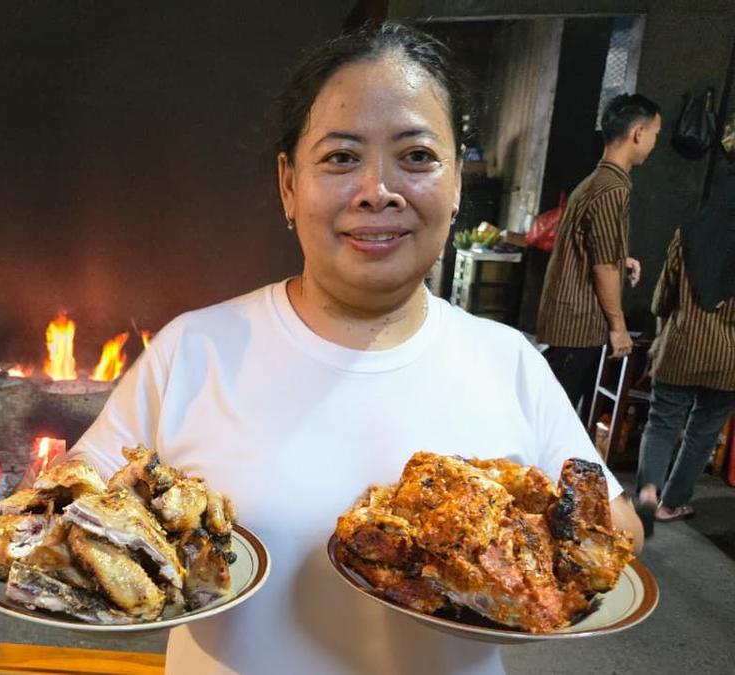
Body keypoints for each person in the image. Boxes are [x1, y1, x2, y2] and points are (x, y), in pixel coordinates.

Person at [65, 23, 643, 674]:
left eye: (417, 156)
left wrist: (514, 554)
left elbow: (616, 529)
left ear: (456, 183)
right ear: (289, 185)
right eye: (340, 157)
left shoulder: (506, 359)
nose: (377, 189)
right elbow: (70, 503)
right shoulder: (195, 349)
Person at [536, 94, 661, 421]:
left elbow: (600, 250)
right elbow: (602, 265)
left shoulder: (597, 182)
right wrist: (618, 327)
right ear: (638, 133)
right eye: (654, 134)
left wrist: (624, 259)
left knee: (553, 414)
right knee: (553, 420)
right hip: (578, 325)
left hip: (570, 321)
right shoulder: (612, 189)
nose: (654, 143)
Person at [634, 175, 735, 534]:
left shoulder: (689, 233)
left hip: (681, 346)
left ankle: (647, 492)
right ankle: (672, 503)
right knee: (702, 433)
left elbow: (663, 296)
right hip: (730, 360)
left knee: (662, 423)